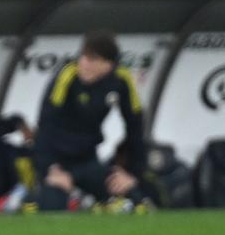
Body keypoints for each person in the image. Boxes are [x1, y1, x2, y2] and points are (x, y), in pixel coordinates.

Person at [34, 31, 151, 213]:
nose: (84, 64)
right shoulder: (67, 76)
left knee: (135, 200)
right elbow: (45, 126)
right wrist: (50, 169)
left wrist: (132, 174)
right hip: (58, 163)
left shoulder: (121, 79)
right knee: (52, 207)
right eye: (82, 57)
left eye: (92, 60)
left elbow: (135, 127)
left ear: (108, 64)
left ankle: (96, 205)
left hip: (88, 162)